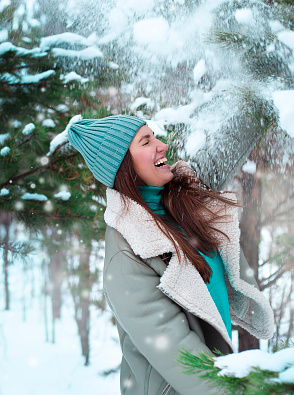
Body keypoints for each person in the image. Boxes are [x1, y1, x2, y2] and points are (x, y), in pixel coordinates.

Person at [67, 115, 274, 395]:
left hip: (218, 373)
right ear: (124, 166)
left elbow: (224, 150)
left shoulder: (181, 196)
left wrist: (257, 103)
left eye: (155, 136)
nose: (162, 145)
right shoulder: (125, 253)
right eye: (147, 141)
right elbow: (180, 355)